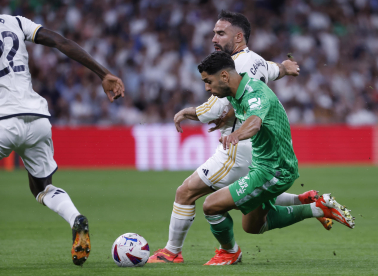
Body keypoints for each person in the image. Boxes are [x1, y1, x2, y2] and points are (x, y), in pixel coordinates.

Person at [148, 10, 331, 265]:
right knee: (251, 215)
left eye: (220, 33)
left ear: (238, 37)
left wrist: (186, 112)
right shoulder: (255, 60)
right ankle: (305, 201)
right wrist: (286, 68)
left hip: (236, 147)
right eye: (214, 32)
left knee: (186, 192)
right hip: (255, 150)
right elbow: (272, 69)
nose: (213, 37)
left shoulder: (235, 66)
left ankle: (173, 252)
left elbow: (216, 109)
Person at [199, 51, 355, 265]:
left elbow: (254, 122)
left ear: (224, 77)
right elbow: (255, 99)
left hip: (274, 169)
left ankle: (229, 253)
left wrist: (236, 134)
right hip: (265, 165)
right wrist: (228, 117)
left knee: (212, 205)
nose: (207, 88)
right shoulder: (238, 90)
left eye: (209, 81)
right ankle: (316, 207)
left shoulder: (254, 93)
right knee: (252, 226)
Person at [0, 15, 125, 266]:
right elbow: (60, 41)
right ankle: (75, 218)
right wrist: (104, 73)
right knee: (42, 187)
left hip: (3, 117)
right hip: (37, 117)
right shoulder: (13, 20)